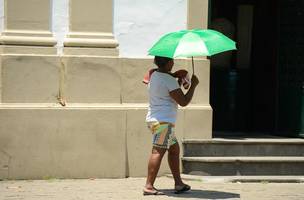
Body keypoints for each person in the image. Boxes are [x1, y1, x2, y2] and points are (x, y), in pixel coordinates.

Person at [143, 56, 199, 195]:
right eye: (172, 60)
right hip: (163, 122)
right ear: (168, 63)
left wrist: (176, 79)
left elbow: (168, 93)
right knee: (158, 151)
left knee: (174, 149)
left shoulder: (154, 74)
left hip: (156, 119)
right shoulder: (168, 79)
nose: (173, 62)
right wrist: (193, 86)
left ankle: (178, 183)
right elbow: (183, 101)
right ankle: (149, 186)